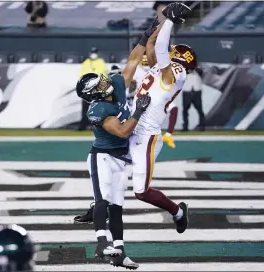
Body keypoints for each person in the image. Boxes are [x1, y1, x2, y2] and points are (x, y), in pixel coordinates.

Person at [75, 3, 194, 235]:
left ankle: (178, 212)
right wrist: (158, 26)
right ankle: (100, 205)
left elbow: (157, 50)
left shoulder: (174, 75)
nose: (171, 51)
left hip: (146, 136)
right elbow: (151, 46)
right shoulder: (159, 70)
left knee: (140, 191)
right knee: (102, 159)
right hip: (133, 128)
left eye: (174, 52)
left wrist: (168, 22)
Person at [75, 15, 160, 270]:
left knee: (117, 208)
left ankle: (119, 252)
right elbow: (122, 132)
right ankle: (101, 243)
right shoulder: (98, 109)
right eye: (101, 84)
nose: (106, 81)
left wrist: (146, 36)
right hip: (102, 156)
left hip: (122, 159)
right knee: (102, 201)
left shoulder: (115, 84)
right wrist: (138, 112)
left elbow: (134, 59)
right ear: (96, 94)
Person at [133, 55, 179, 148]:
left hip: (151, 96)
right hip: (143, 98)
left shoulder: (152, 67)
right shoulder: (145, 68)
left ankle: (168, 135)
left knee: (173, 108)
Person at [77, 47, 108, 131]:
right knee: (85, 107)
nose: (93, 54)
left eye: (95, 52)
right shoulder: (86, 63)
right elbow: (81, 76)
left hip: (97, 88)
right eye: (92, 52)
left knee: (97, 107)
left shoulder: (101, 62)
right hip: (87, 89)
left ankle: (97, 125)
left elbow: (104, 75)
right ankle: (83, 124)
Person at [182, 66, 205, 131]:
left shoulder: (198, 68)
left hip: (197, 91)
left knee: (200, 110)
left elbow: (201, 73)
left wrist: (194, 68)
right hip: (187, 91)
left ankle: (202, 126)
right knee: (185, 110)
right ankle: (185, 127)